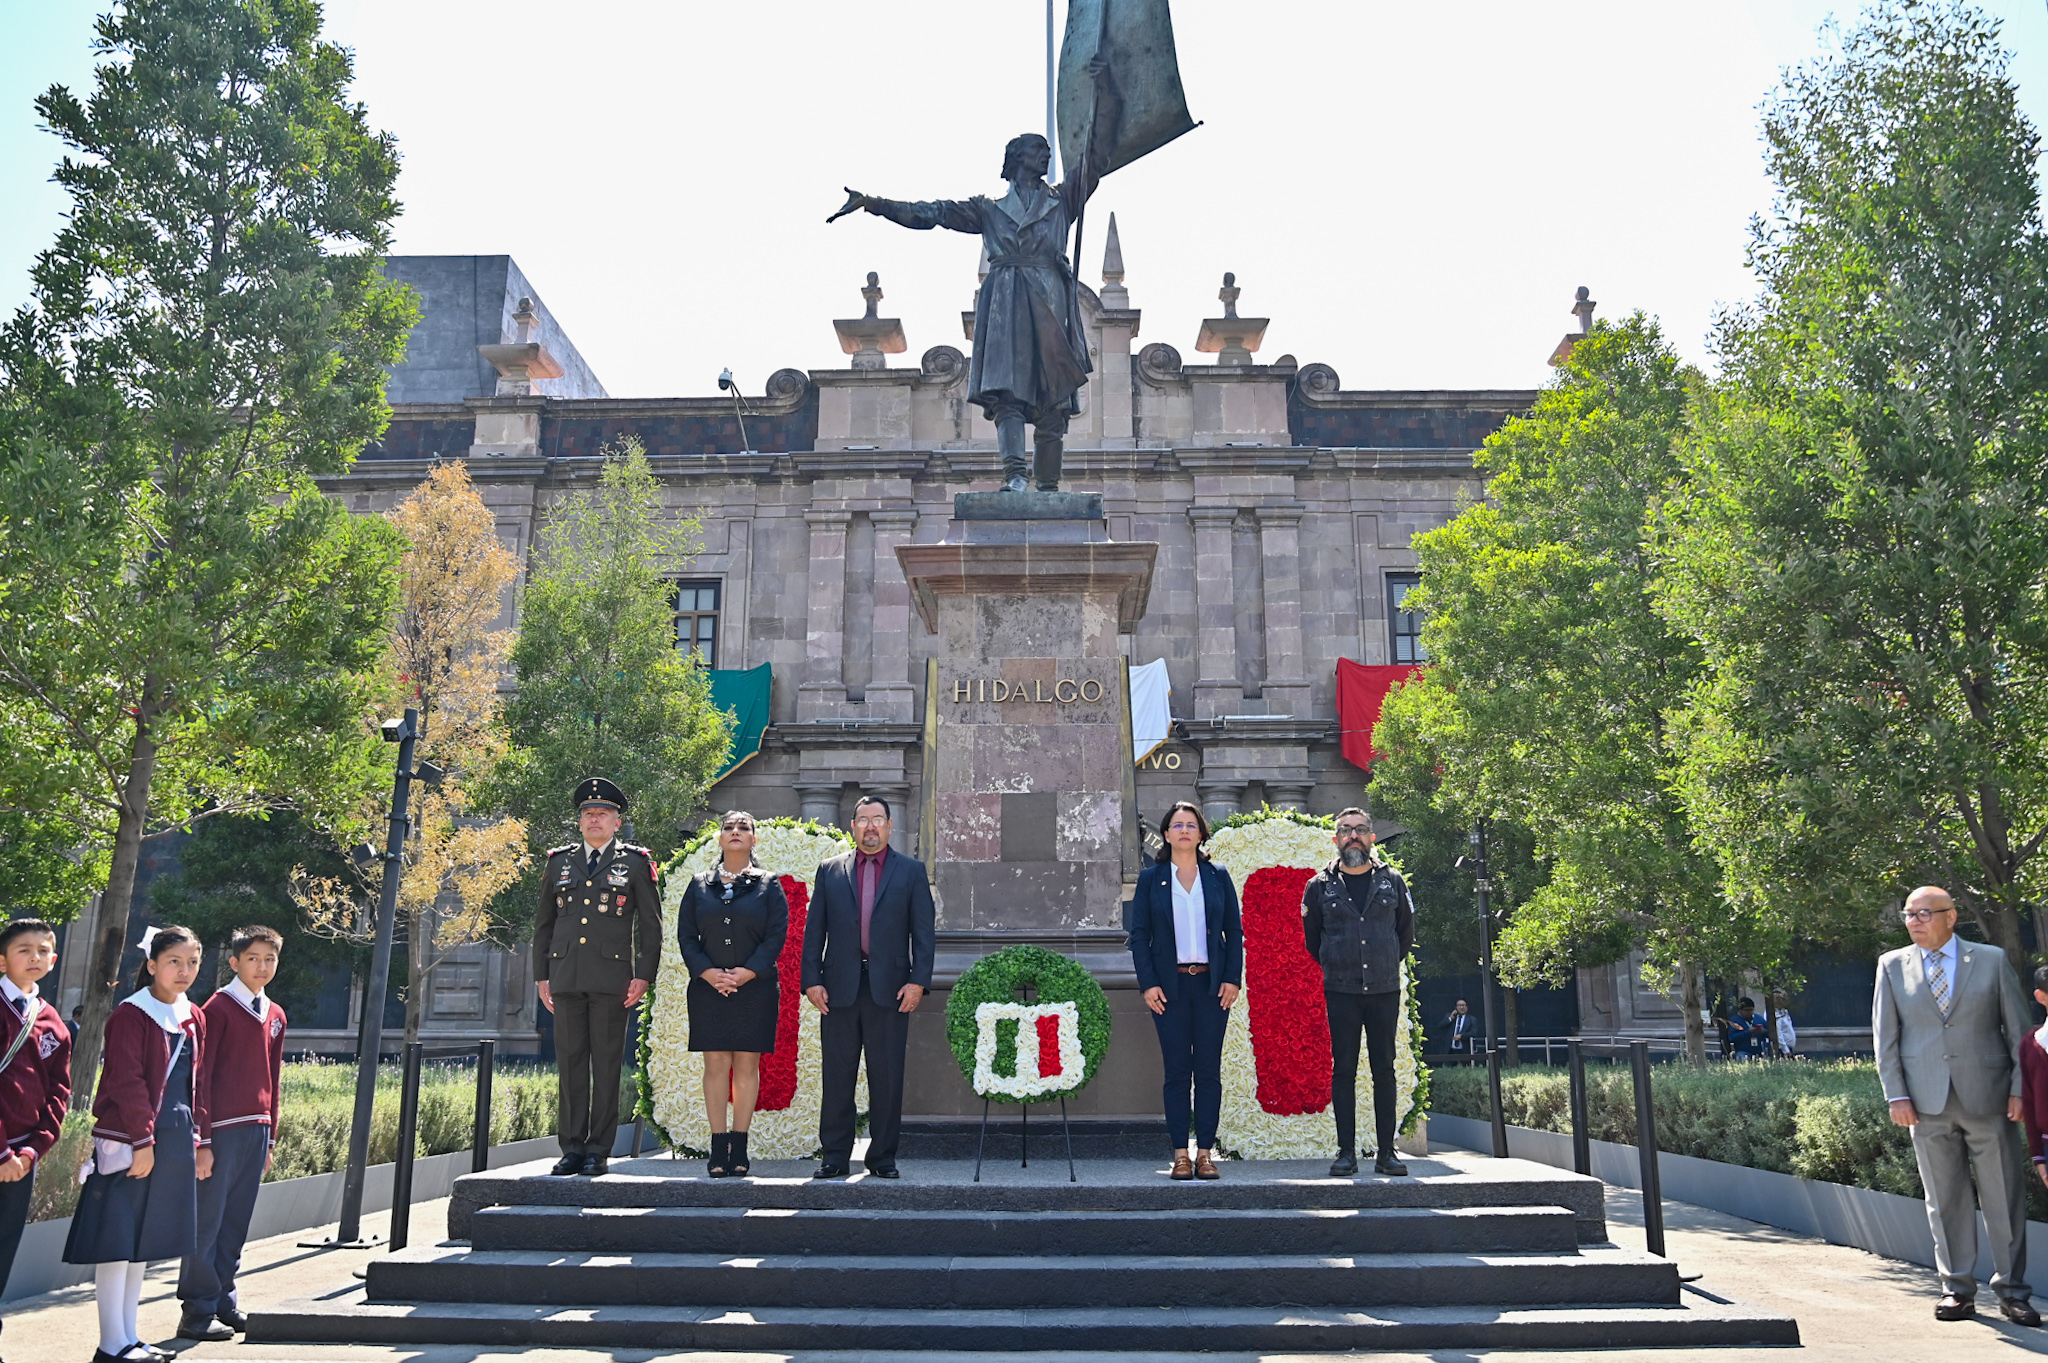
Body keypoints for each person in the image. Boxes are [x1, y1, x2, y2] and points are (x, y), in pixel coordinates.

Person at [825, 57, 1121, 494]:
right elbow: (931, 213)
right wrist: (874, 204)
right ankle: (1015, 475)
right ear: (1017, 159)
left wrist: (1106, 91)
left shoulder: (1063, 201)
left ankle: (1048, 485)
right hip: (1005, 300)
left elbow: (1097, 154)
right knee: (1008, 393)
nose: (1048, 154)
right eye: (1039, 149)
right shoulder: (988, 210)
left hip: (1050, 300)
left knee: (1054, 399)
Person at [1874, 886, 2037, 1326]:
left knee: (2004, 1198)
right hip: (1925, 1103)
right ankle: (1957, 1291)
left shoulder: (1991, 960)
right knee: (1944, 1201)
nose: (1914, 921)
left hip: (1990, 1099)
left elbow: (2018, 1032)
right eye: (1909, 914)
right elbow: (1885, 1039)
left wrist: (2019, 1089)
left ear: (1951, 916)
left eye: (1924, 913)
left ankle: (2013, 1292)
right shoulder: (1892, 965)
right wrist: (1896, 1094)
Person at [65, 925, 210, 1363]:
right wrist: (143, 1140)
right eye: (174, 962)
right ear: (151, 965)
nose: (184, 970)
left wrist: (198, 1139)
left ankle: (129, 1337)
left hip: (175, 1138)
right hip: (132, 1139)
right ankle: (111, 1343)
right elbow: (126, 1082)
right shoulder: (131, 1014)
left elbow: (197, 1082)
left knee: (143, 1242)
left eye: (192, 962)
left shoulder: (193, 1014)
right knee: (118, 1240)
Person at [534, 777, 662, 1177]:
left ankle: (598, 1150)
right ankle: (572, 1148)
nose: (594, 819)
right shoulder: (558, 862)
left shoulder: (635, 863)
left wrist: (644, 976)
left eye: (602, 814)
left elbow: (651, 926)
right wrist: (541, 976)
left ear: (616, 822)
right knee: (571, 1065)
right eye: (588, 814)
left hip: (612, 979)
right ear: (579, 822)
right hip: (565, 977)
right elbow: (543, 925)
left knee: (606, 1066)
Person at [802, 794, 935, 1179]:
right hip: (838, 989)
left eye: (878, 819)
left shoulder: (911, 872)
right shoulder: (830, 870)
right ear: (853, 826)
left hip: (891, 991)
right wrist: (811, 980)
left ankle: (882, 1158)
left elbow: (923, 934)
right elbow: (814, 931)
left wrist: (918, 982)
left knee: (887, 1076)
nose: (870, 826)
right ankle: (834, 1156)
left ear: (890, 826)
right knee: (837, 1075)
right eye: (863, 819)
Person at [177, 926, 285, 1341]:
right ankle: (196, 1311)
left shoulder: (275, 1014)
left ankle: (224, 1300)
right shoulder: (217, 1009)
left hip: (256, 1131)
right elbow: (200, 1077)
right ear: (235, 962)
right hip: (220, 1132)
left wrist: (270, 1138)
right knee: (206, 1223)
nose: (262, 966)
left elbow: (273, 1079)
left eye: (270, 959)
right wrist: (202, 1141)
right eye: (253, 958)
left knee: (235, 1223)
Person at [1126, 800, 1242, 1181]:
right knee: (1177, 1072)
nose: (1184, 831)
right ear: (1166, 834)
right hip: (1169, 989)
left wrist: (1232, 978)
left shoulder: (1217, 876)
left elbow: (1234, 931)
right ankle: (1180, 1154)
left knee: (1208, 1071)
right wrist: (1148, 984)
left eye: (1191, 825)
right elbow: (1139, 936)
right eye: (1177, 825)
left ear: (1201, 833)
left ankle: (1205, 1153)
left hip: (1211, 987)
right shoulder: (1151, 879)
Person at [1302, 808, 1416, 1178]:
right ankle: (1346, 1153)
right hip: (1342, 990)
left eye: (1361, 829)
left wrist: (1384, 962)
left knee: (1384, 1069)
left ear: (1372, 838)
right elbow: (1313, 940)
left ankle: (1387, 1154)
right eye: (1346, 830)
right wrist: (1338, 963)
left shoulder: (1392, 881)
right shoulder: (1320, 886)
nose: (1354, 835)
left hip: (1384, 989)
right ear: (1336, 839)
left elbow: (1405, 933)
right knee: (1344, 1070)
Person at [678, 810, 788, 1179]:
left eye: (744, 828)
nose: (735, 832)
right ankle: (717, 1145)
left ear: (754, 839)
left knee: (746, 1064)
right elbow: (686, 936)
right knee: (715, 1064)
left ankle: (739, 1146)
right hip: (708, 989)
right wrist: (708, 973)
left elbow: (776, 935)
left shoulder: (768, 884)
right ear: (720, 838)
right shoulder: (699, 884)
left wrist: (748, 972)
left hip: (755, 988)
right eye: (728, 827)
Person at [0, 919, 71, 1363]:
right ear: (2, 960)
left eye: (43, 950)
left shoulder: (52, 1021)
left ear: (54, 959)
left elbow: (58, 1093)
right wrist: (2, 1152)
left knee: (3, 1251)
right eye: (24, 950)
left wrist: (31, 1150)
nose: (35, 957)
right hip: (3, 1153)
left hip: (22, 1158)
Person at [1444, 999, 1476, 1064]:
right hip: (1450, 1050)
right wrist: (1450, 1018)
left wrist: (1462, 1036)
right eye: (1459, 1005)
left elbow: (1474, 1032)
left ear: (1467, 1007)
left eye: (1463, 1005)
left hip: (1464, 1049)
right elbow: (1440, 1026)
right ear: (1456, 1007)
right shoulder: (1450, 1017)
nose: (1461, 1007)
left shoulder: (1472, 1019)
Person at [1772, 992, 1797, 1058]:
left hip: (1789, 1046)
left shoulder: (1785, 1012)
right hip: (1783, 1049)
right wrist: (1785, 1050)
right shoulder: (1774, 1014)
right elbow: (1778, 1033)